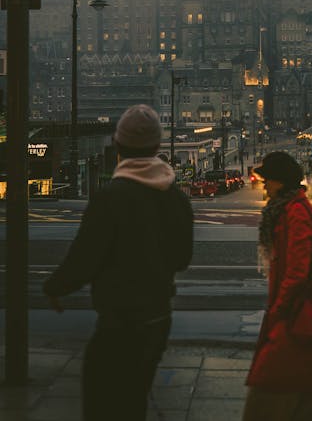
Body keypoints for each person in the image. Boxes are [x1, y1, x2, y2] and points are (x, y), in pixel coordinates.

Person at [43, 104, 193, 421]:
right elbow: (182, 258)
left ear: (118, 146)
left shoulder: (110, 197)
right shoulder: (176, 198)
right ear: (156, 147)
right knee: (134, 400)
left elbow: (84, 258)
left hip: (119, 321)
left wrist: (56, 287)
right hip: (158, 318)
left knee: (102, 404)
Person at [243, 151, 312, 421]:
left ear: (279, 182)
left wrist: (280, 309)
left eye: (267, 180)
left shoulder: (295, 212)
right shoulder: (289, 208)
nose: (264, 185)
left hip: (298, 310)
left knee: (274, 376)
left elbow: (297, 269)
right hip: (301, 310)